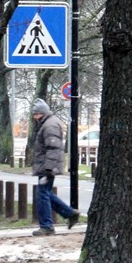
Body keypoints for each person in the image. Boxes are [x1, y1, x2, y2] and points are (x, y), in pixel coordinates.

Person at [30, 99, 80, 236]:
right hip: (46, 166)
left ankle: (47, 226)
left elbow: (53, 149)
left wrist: (48, 169)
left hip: (47, 167)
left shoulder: (49, 125)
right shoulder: (48, 123)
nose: (34, 118)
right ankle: (69, 214)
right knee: (46, 193)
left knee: (42, 194)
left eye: (35, 114)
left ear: (41, 113)